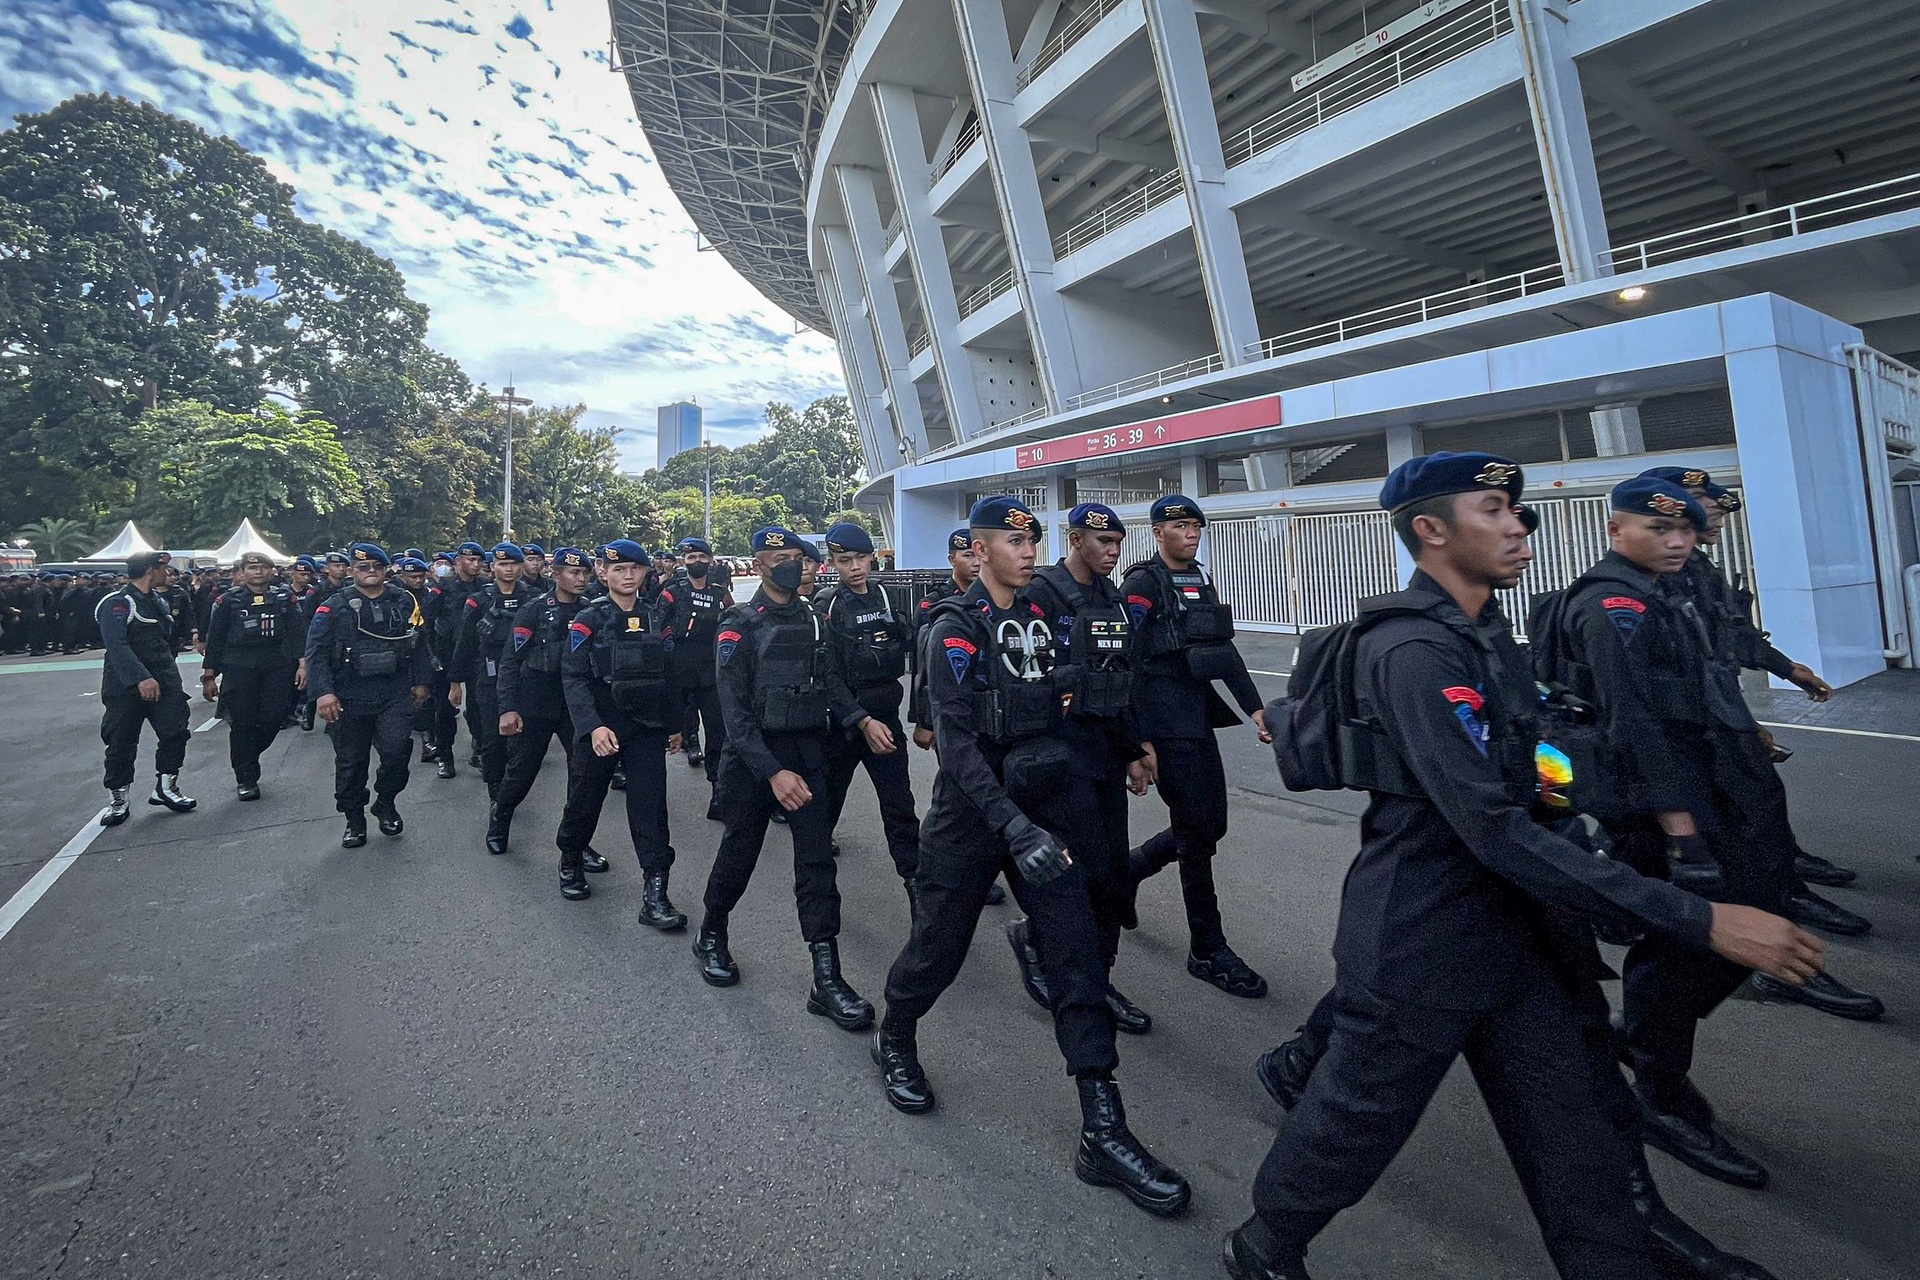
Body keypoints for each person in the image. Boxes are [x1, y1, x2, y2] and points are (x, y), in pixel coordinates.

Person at [1224, 456, 1819, 1280]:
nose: (1518, 526)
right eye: (1495, 509)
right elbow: (1493, 828)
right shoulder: (1412, 652)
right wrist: (1699, 917)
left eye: (1519, 511)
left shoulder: (1489, 637)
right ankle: (1265, 1244)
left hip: (1524, 932)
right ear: (1430, 530)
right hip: (1422, 937)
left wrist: (1585, 787)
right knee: (1356, 1120)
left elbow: (1534, 768)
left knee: (1575, 1126)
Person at [1535, 477, 1867, 1192]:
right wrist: (1681, 834)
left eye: (1686, 528)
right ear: (1617, 530)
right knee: (1686, 940)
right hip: (1662, 804)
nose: (1679, 540)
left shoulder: (1675, 589)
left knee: (1756, 907)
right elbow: (1634, 726)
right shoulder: (1612, 606)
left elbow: (1719, 660)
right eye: (1660, 530)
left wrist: (1775, 687)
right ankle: (1659, 1087)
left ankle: (1643, 1034)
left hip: (1713, 780)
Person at [874, 496, 1189, 1217]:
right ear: (979, 552)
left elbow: (1072, 701)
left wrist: (1125, 747)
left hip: (1044, 802)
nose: (1028, 551)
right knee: (939, 948)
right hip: (975, 817)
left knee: (1075, 954)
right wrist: (1014, 831)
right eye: (1013, 543)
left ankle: (1103, 1132)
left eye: (1033, 540)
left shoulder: (1040, 619)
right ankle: (896, 1034)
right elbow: (955, 747)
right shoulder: (952, 630)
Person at [693, 525, 888, 1031]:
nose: (790, 563)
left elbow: (829, 682)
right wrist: (773, 773)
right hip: (756, 762)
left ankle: (826, 979)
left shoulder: (816, 620)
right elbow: (733, 718)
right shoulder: (739, 624)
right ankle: (712, 931)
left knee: (817, 862)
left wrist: (861, 719)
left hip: (806, 752)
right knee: (740, 851)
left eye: (795, 556)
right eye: (778, 556)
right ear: (758, 564)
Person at [1004, 502, 1153, 1034]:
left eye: (1117, 543)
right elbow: (1023, 675)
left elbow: (1122, 677)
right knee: (1077, 876)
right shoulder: (1038, 594)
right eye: (1103, 543)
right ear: (1074, 539)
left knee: (1111, 874)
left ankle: (1099, 976)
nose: (1113, 552)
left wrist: (1137, 749)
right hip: (1058, 760)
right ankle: (1064, 966)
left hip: (1105, 753)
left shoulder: (1112, 598)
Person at [1122, 495, 1271, 998]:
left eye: (1196, 526)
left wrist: (1255, 708)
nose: (1192, 533)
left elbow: (1222, 652)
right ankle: (1207, 947)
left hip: (1196, 720)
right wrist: (1138, 742)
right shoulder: (1142, 584)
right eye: (1181, 525)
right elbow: (1125, 664)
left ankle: (1129, 870)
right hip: (1163, 727)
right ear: (1158, 532)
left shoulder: (1199, 581)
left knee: (1211, 824)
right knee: (1196, 834)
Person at [558, 541, 679, 907]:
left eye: (634, 569)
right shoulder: (588, 619)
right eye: (619, 569)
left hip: (646, 726)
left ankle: (656, 892)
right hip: (602, 727)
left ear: (645, 573)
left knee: (651, 808)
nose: (627, 576)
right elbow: (573, 677)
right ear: (604, 573)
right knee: (585, 800)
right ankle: (571, 859)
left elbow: (669, 674)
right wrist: (592, 726)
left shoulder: (656, 616)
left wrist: (676, 725)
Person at [816, 521, 920, 910]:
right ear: (833, 563)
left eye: (861, 557)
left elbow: (910, 647)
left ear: (872, 557)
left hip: (886, 718)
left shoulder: (887, 598)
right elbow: (825, 675)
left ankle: (916, 883)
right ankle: (817, 881)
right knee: (826, 803)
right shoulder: (828, 606)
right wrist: (860, 719)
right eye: (845, 560)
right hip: (844, 724)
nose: (855, 567)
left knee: (900, 805)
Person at [304, 543, 432, 848]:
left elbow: (420, 645)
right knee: (351, 763)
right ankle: (354, 819)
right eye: (363, 567)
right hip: (349, 695)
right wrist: (324, 694)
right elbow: (316, 653)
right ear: (351, 572)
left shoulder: (404, 601)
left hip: (394, 692)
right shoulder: (334, 606)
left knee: (398, 752)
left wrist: (422, 682)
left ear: (387, 570)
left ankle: (385, 802)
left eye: (376, 566)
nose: (370, 572)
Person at [907, 529, 1007, 905]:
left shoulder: (999, 599)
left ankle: (982, 870)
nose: (974, 562)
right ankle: (939, 874)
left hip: (992, 715)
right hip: (951, 715)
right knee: (959, 795)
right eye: (966, 556)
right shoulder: (936, 605)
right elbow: (923, 668)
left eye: (976, 555)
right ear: (953, 559)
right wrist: (924, 720)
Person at [491, 547, 603, 876]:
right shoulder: (535, 610)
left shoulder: (592, 611)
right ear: (556, 575)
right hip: (536, 701)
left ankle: (578, 843)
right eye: (573, 573)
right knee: (522, 773)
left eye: (585, 573)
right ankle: (501, 814)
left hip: (576, 705)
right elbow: (510, 660)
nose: (581, 579)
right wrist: (507, 708)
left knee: (583, 778)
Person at [95, 550, 197, 825]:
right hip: (126, 684)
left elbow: (168, 640)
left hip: (163, 678)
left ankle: (166, 786)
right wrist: (140, 677)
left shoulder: (159, 602)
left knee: (176, 730)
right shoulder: (118, 603)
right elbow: (117, 645)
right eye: (164, 568)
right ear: (151, 570)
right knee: (120, 741)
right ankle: (118, 798)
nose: (169, 573)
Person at [200, 551, 304, 800]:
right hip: (239, 667)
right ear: (242, 572)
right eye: (251, 568)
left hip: (277, 664)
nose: (257, 572)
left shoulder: (283, 598)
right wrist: (209, 675)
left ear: (272, 571)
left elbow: (298, 633)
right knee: (242, 722)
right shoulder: (229, 601)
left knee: (276, 715)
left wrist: (303, 664)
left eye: (263, 568)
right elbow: (215, 640)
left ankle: (248, 755)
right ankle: (246, 777)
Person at [452, 542, 532, 807]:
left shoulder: (533, 599)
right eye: (502, 564)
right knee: (493, 738)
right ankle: (496, 791)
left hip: (526, 676)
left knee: (523, 742)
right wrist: (456, 682)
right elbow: (464, 643)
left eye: (513, 564)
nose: (508, 569)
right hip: (488, 675)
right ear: (493, 567)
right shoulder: (479, 600)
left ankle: (512, 785)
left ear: (521, 567)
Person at [656, 536, 732, 811]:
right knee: (669, 729)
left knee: (717, 732)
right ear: (683, 562)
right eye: (691, 558)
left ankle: (718, 792)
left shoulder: (720, 593)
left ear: (710, 561)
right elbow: (659, 624)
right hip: (678, 669)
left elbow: (732, 625)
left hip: (710, 672)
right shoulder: (672, 591)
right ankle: (651, 791)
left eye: (702, 558)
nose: (697, 562)